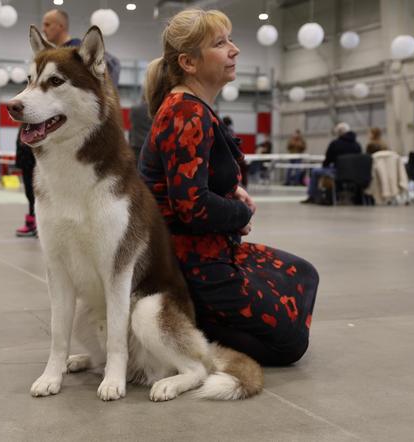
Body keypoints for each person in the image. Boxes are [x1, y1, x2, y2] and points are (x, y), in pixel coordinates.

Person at [139, 9, 319, 365]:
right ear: (189, 62)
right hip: (193, 265)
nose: (234, 50)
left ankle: (203, 322)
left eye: (230, 40)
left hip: (210, 251)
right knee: (290, 345)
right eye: (221, 43)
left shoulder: (192, 108)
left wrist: (231, 195)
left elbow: (193, 182)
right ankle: (195, 324)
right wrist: (241, 213)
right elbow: (191, 206)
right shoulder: (186, 113)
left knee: (303, 273)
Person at [42, 8, 121, 88]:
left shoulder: (79, 50)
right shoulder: (56, 53)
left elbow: (113, 63)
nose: (43, 30)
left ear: (60, 26)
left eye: (47, 25)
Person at [301, 122, 361, 204]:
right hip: (353, 174)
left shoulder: (335, 144)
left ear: (339, 132)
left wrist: (324, 166)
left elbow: (327, 160)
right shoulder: (357, 145)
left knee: (315, 171)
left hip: (337, 172)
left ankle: (313, 196)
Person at [14, 128, 37, 237]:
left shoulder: (33, 125)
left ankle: (35, 225)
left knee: (34, 197)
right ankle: (32, 223)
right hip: (25, 165)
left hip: (33, 166)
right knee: (30, 195)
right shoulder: (24, 127)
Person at [129, 97, 152, 164]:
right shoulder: (154, 110)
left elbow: (132, 126)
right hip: (149, 145)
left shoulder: (134, 109)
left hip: (136, 145)